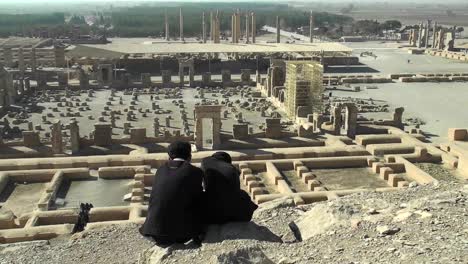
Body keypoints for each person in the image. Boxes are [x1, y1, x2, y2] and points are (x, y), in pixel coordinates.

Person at [140, 141, 204, 246]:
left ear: (169, 157)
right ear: (189, 156)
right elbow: (198, 200)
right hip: (181, 236)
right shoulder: (195, 172)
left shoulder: (160, 170)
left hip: (152, 233)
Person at [201, 152, 258, 225]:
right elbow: (235, 191)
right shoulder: (232, 169)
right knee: (244, 195)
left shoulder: (205, 161)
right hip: (234, 216)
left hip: (210, 215)